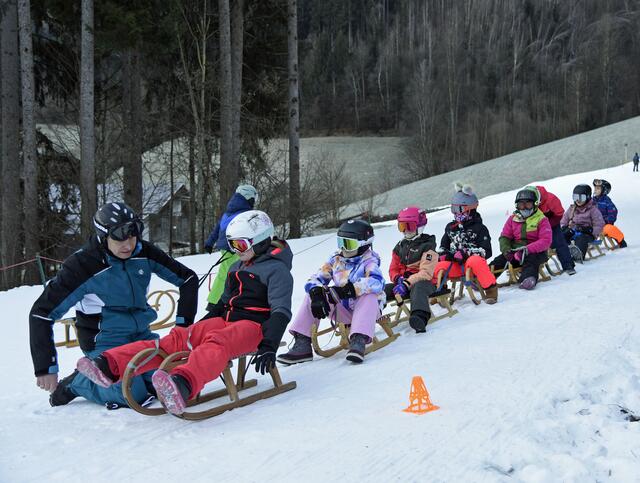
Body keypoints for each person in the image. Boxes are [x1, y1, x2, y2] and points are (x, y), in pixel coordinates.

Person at [76, 210, 293, 416]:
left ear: (261, 240)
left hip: (256, 328)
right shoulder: (237, 267)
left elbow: (280, 311)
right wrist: (195, 329)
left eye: (240, 244)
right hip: (227, 319)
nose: (236, 250)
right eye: (232, 245)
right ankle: (109, 365)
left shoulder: (277, 271)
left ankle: (182, 384)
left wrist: (269, 345)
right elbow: (222, 304)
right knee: (179, 338)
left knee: (217, 342)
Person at [30, 202, 198, 408]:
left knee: (167, 379)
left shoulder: (143, 252)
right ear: (103, 237)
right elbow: (41, 313)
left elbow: (188, 279)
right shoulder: (83, 265)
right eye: (119, 239)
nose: (128, 245)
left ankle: (117, 378)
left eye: (132, 236)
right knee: (133, 394)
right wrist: (46, 366)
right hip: (104, 343)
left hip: (142, 337)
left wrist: (183, 325)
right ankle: (77, 383)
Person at [277, 219, 385, 365]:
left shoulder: (370, 260)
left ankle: (358, 339)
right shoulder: (336, 259)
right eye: (341, 242)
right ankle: (303, 342)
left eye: (349, 244)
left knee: (369, 295)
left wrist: (347, 290)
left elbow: (377, 282)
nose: (344, 248)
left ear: (363, 244)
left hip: (368, 311)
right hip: (343, 311)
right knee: (312, 294)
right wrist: (316, 293)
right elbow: (316, 278)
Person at [433, 184, 498, 304]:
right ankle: (439, 292)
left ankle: (491, 289)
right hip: (455, 266)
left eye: (460, 210)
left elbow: (487, 251)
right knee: (436, 266)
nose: (457, 214)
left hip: (472, 267)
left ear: (471, 209)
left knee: (476, 261)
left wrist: (466, 253)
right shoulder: (451, 228)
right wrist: (444, 255)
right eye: (454, 210)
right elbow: (443, 247)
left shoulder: (479, 228)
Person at [383, 206, 438, 333]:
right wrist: (398, 278)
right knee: (382, 289)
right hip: (403, 284)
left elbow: (426, 273)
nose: (406, 231)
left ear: (420, 226)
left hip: (426, 284)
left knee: (418, 287)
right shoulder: (400, 246)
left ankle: (419, 317)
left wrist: (407, 283)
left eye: (410, 226)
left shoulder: (428, 247)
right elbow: (393, 268)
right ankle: (370, 313)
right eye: (402, 226)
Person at [203, 184, 258, 308]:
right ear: (249, 198)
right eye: (253, 198)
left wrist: (209, 243)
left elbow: (218, 228)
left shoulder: (229, 211)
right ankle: (219, 302)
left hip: (227, 247)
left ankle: (216, 301)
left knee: (226, 273)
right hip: (235, 247)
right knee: (232, 274)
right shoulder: (245, 213)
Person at [489, 187, 552, 290]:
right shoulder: (513, 218)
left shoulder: (542, 219)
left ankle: (528, 278)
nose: (524, 208)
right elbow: (505, 236)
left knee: (531, 260)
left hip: (536, 252)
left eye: (528, 204)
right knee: (499, 261)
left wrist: (527, 249)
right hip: (515, 252)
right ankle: (485, 280)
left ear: (535, 204)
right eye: (521, 205)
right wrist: (506, 250)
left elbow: (546, 241)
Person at [531, 185, 576, 275]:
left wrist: (548, 224)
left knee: (559, 242)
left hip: (552, 223)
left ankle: (568, 265)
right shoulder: (529, 201)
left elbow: (559, 214)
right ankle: (530, 268)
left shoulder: (551, 199)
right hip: (535, 226)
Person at [561, 184, 605, 263]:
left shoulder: (593, 210)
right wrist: (564, 227)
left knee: (581, 238)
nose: (578, 200)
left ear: (588, 197)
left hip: (587, 233)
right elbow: (563, 220)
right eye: (576, 197)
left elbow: (599, 224)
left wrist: (591, 231)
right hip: (574, 231)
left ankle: (578, 256)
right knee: (563, 235)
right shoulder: (572, 208)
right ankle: (564, 252)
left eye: (582, 197)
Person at [592, 179, 627, 248]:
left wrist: (604, 221)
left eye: (598, 188)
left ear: (604, 191)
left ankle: (621, 241)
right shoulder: (591, 201)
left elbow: (613, 214)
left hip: (603, 225)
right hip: (592, 224)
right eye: (595, 188)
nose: (595, 190)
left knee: (610, 229)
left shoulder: (607, 202)